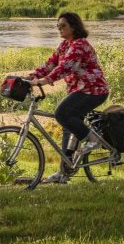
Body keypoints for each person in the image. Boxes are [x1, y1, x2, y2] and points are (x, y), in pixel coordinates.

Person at [29, 12, 110, 183]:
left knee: (61, 114)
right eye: (58, 26)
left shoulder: (79, 45)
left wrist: (44, 81)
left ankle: (93, 139)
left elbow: (65, 67)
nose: (59, 28)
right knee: (69, 127)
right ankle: (63, 173)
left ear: (73, 27)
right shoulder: (65, 45)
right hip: (79, 90)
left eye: (63, 25)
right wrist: (31, 77)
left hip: (94, 90)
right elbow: (50, 64)